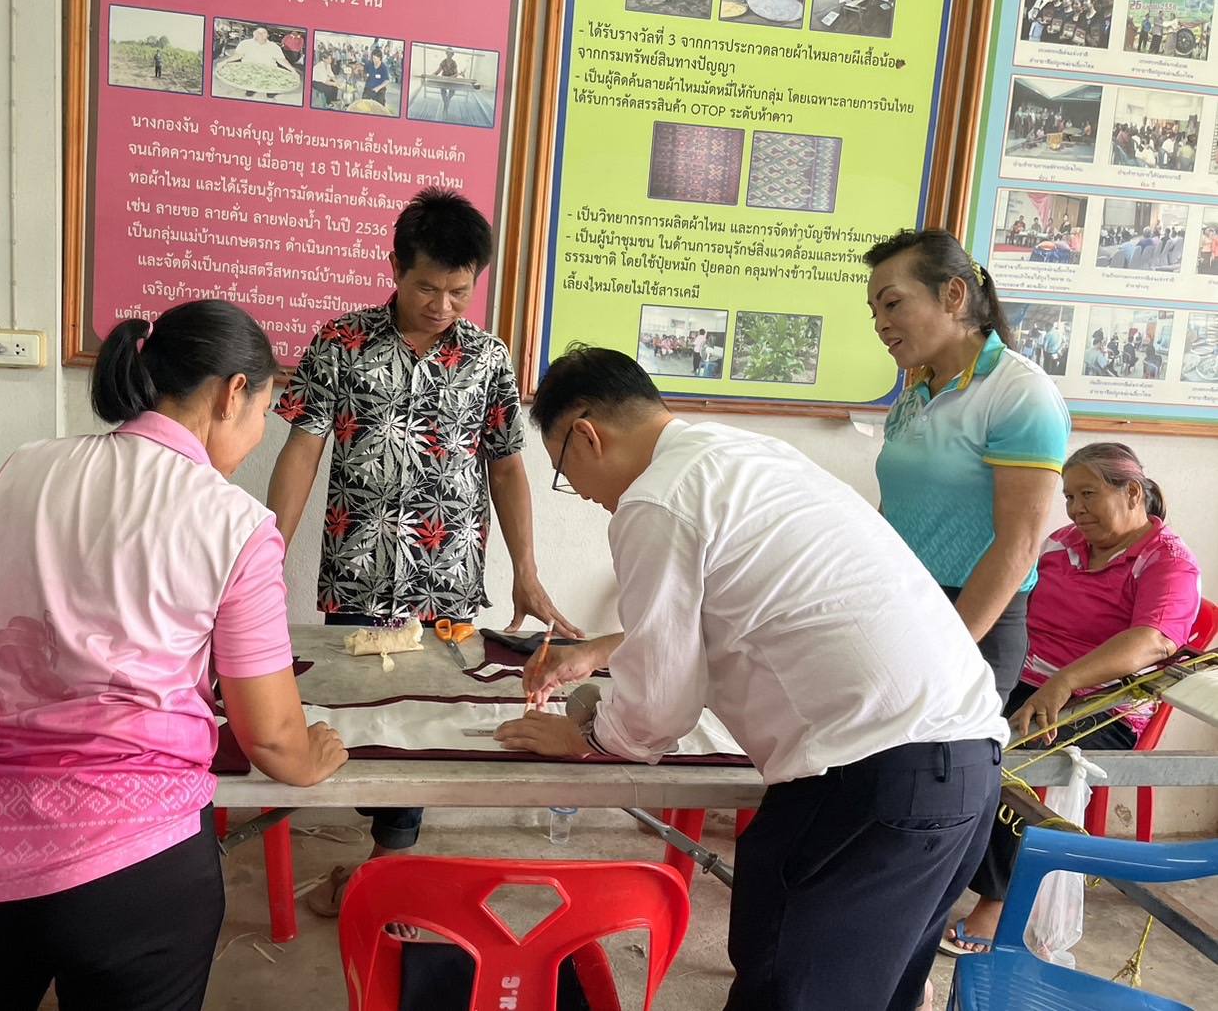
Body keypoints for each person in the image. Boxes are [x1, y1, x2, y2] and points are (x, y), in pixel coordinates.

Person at [496, 346, 1007, 1011]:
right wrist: (601, 652)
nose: (587, 498)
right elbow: (744, 610)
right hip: (964, 766)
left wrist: (588, 736)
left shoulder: (655, 499)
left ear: (585, 435)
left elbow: (659, 705)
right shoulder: (743, 455)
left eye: (567, 475)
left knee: (791, 994)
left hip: (868, 782)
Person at [0, 301, 348, 1011]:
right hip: (135, 857)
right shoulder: (234, 521)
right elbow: (269, 735)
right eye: (262, 412)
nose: (254, 435)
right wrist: (310, 757)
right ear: (231, 392)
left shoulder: (24, 471)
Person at [268, 187, 579, 918]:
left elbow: (505, 465)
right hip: (356, 567)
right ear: (395, 269)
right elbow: (301, 452)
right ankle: (380, 853)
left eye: (458, 292)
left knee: (431, 715)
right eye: (426, 288)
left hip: (445, 576)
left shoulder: (486, 358)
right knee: (354, 709)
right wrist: (262, 554)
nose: (441, 306)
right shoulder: (341, 341)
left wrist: (526, 572)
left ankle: (390, 862)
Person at [942, 444, 1200, 955]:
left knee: (1010, 761)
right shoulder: (1064, 544)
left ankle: (996, 903)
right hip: (1028, 678)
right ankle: (941, 871)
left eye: (1088, 494)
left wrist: (1064, 682)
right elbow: (1017, 600)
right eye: (1068, 496)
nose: (1075, 508)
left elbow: (1153, 640)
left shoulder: (1167, 562)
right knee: (946, 734)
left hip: (1103, 703)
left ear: (1132, 492)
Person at [866, 229, 1071, 704]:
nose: (879, 324)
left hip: (974, 622)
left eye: (892, 304)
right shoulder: (916, 395)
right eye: (873, 312)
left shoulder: (1020, 393)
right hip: (905, 608)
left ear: (953, 295)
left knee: (943, 773)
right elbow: (892, 514)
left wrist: (949, 648)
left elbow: (1018, 545)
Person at [228, 27, 300, 99]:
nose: (261, 35)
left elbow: (281, 60)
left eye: (264, 33)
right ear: (254, 33)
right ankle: (250, 91)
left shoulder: (274, 46)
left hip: (269, 71)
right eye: (258, 32)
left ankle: (270, 94)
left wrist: (293, 70)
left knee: (272, 91)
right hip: (250, 70)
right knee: (249, 86)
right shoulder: (244, 43)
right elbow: (237, 55)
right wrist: (224, 62)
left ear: (267, 35)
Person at [435, 47, 461, 117]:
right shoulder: (443, 62)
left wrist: (451, 77)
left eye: (450, 54)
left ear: (452, 54)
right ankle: (445, 108)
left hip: (452, 80)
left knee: (452, 93)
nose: (449, 55)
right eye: (448, 53)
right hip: (444, 79)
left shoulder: (454, 63)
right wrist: (431, 75)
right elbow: (438, 71)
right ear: (446, 54)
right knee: (443, 92)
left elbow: (456, 73)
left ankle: (446, 102)